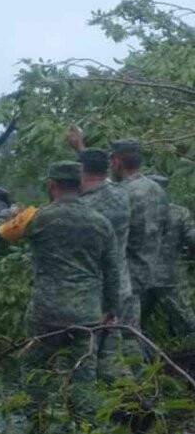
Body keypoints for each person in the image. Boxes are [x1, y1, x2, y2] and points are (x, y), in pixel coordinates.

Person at [0, 161, 119, 434]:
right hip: (87, 316)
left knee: (33, 369)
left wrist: (4, 214)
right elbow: (112, 272)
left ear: (51, 185)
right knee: (83, 379)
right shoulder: (101, 222)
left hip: (46, 315)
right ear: (81, 184)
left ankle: (37, 430)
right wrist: (110, 310)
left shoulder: (37, 218)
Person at [74, 147, 137, 379]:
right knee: (124, 349)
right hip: (123, 287)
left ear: (81, 170)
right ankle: (139, 400)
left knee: (94, 358)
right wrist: (82, 147)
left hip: (98, 295)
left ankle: (125, 406)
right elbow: (103, 182)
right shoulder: (121, 195)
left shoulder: (85, 208)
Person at [109, 139, 170, 349]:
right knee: (135, 331)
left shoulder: (122, 193)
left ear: (116, 161)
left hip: (127, 278)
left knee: (127, 340)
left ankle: (141, 377)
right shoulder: (157, 189)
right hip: (150, 272)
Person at [146, 174, 195, 339]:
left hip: (140, 276)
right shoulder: (179, 212)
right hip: (171, 276)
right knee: (187, 323)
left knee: (132, 325)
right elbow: (192, 238)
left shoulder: (135, 211)